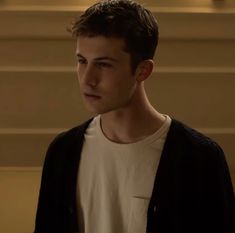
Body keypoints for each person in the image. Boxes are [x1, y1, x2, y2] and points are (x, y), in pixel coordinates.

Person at [34, 0, 235, 232]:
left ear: (143, 70)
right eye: (82, 61)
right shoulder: (63, 152)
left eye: (104, 65)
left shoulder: (199, 158)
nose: (87, 79)